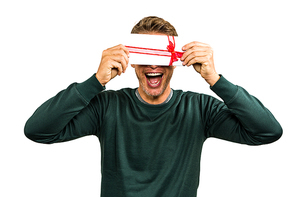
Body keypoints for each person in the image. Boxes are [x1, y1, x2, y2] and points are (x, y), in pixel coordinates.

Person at [24, 16, 282, 197]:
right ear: (132, 62)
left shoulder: (200, 108)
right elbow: (38, 130)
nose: (153, 66)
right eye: (144, 56)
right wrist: (95, 81)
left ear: (175, 61)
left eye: (160, 56)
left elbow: (267, 131)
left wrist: (216, 80)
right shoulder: (107, 106)